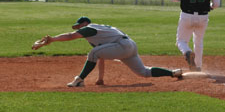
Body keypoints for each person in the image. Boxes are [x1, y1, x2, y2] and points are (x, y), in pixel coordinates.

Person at [34, 16, 182, 87]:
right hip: (129, 45)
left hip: (122, 46)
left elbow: (71, 36)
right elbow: (101, 57)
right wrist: (100, 79)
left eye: (79, 26)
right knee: (143, 72)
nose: (79, 28)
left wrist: (53, 39)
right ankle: (172, 72)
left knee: (93, 53)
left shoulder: (91, 28)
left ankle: (79, 80)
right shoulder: (97, 34)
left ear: (85, 23)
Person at [170, 0, 220, 71]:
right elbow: (216, 4)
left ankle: (187, 52)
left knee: (181, 41)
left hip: (186, 15)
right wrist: (210, 6)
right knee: (198, 41)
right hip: (203, 16)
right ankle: (198, 67)